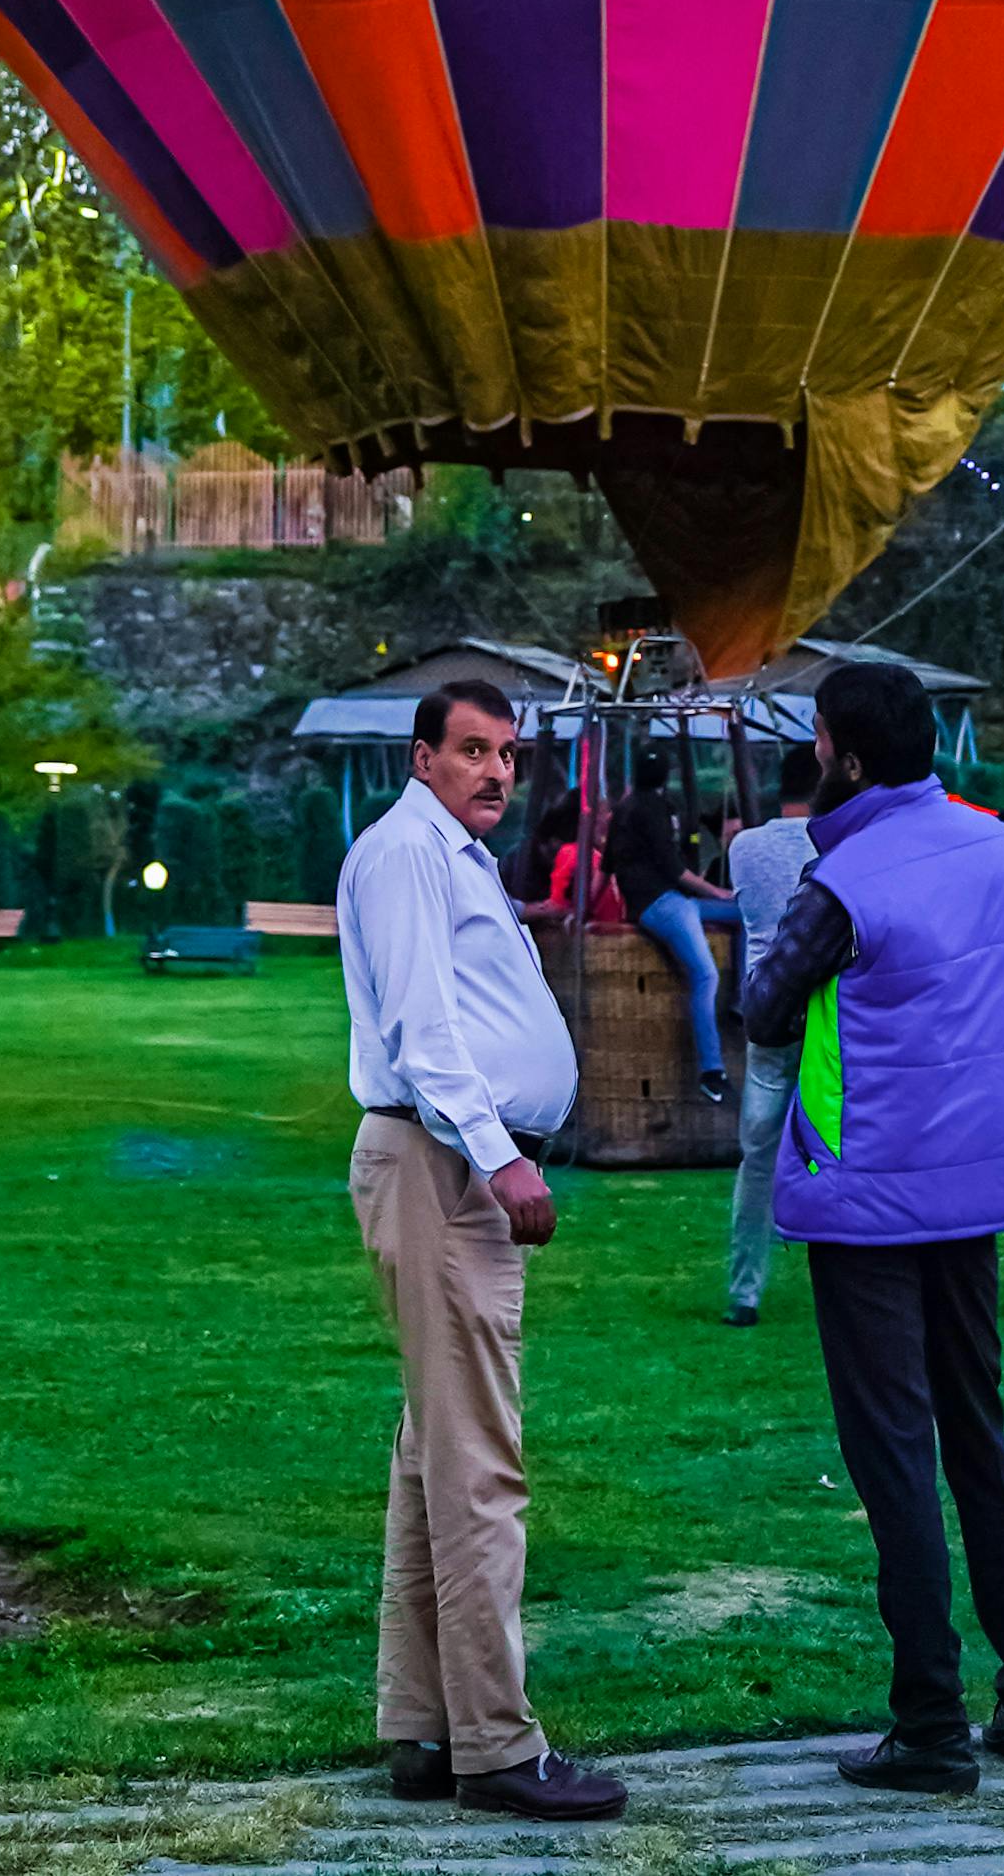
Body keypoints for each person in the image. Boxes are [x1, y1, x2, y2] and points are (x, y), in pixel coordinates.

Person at [740, 659, 1004, 1798]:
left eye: (821, 738)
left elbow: (765, 1005)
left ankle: (928, 1723)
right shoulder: (1000, 849)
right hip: (974, 1190)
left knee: (894, 1457)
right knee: (978, 1436)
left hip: (874, 1198)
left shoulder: (846, 882)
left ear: (845, 754)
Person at [334, 677, 627, 1821]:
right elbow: (423, 1025)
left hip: (445, 1162)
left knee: (432, 1457)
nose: (495, 771)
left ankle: (424, 1727)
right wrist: (501, 1156)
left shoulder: (449, 852)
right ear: (420, 756)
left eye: (506, 753)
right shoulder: (408, 853)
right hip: (442, 1167)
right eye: (470, 750)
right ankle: (498, 1749)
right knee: (476, 1466)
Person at [722, 746, 826, 1325]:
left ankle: (745, 1290)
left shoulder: (745, 847)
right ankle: (844, 1278)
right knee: (838, 1151)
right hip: (827, 1012)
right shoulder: (838, 847)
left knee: (757, 1156)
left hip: (766, 1009)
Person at [602, 782, 730, 1102]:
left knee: (746, 912)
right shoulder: (651, 815)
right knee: (706, 975)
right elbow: (678, 872)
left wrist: (578, 908)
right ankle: (711, 1071)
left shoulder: (624, 821)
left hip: (676, 903)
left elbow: (603, 873)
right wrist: (717, 892)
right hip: (668, 904)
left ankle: (744, 996)